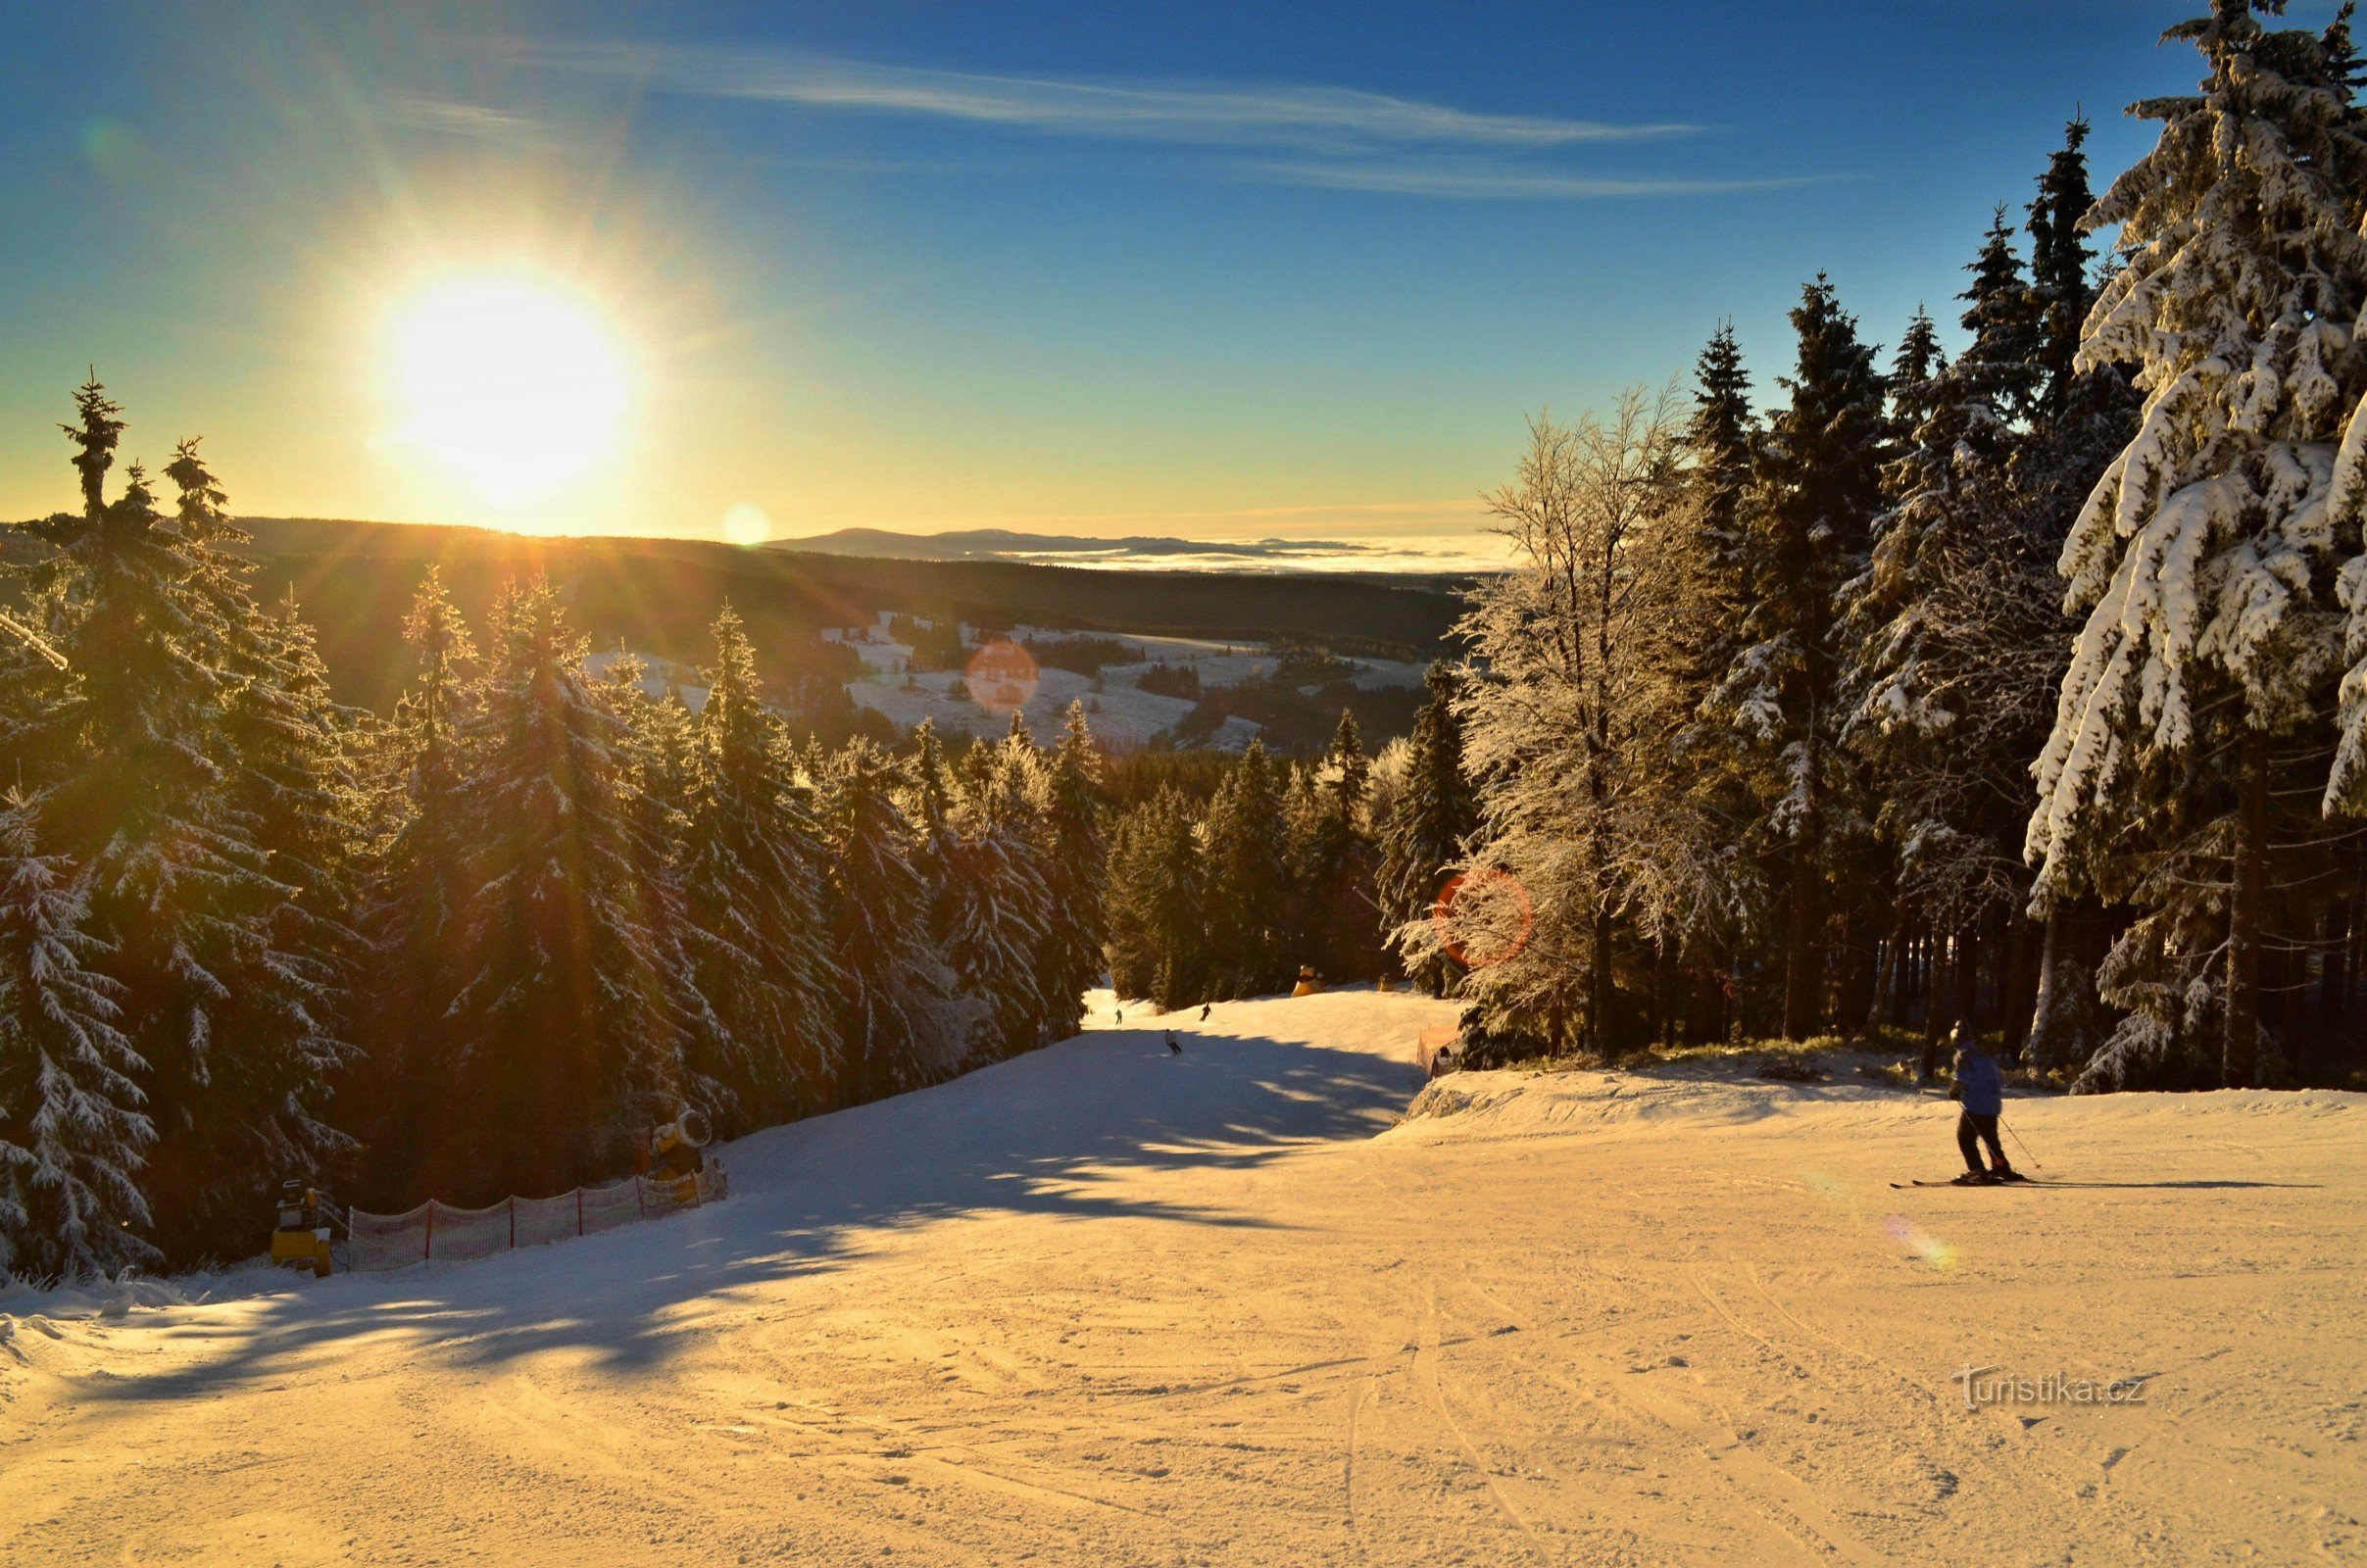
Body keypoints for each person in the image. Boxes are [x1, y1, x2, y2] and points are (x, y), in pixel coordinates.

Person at [1947, 1023, 2016, 1185]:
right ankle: (2001, 1167)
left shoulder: (1964, 1056)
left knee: (1965, 1138)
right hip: (1992, 1105)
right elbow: (1999, 1080)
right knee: (1990, 1139)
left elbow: (1961, 1078)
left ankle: (1977, 1171)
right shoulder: (1986, 1056)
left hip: (1975, 1105)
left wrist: (1955, 1092)